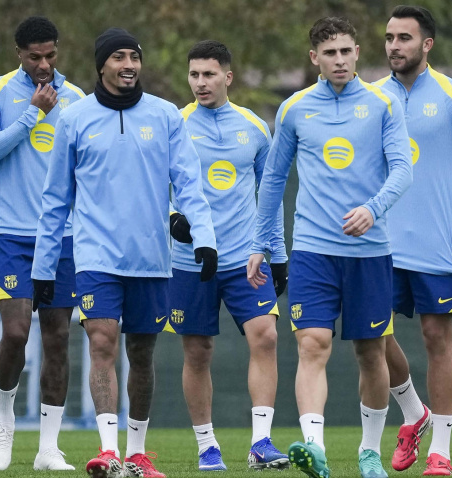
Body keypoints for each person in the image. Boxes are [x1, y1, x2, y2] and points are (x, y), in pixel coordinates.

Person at [32, 27, 218, 478]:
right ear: (101, 65)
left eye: (134, 57)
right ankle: (108, 451)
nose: (129, 65)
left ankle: (137, 452)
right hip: (95, 258)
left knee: (142, 352)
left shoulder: (167, 115)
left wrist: (206, 238)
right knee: (102, 342)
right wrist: (43, 265)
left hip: (152, 260)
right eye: (119, 57)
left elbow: (189, 183)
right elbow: (56, 198)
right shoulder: (74, 119)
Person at [247, 16, 412, 478]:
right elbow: (274, 180)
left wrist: (373, 209)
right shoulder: (296, 108)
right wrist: (262, 242)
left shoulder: (382, 104)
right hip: (313, 251)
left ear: (358, 53)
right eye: (330, 53)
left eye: (346, 51)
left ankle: (369, 452)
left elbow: (402, 169)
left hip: (371, 253)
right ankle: (314, 447)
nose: (339, 60)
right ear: (314, 58)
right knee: (312, 344)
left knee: (370, 352)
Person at [374, 5, 452, 475]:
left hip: (437, 248)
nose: (394, 46)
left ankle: (441, 450)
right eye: (389, 38)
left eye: (404, 38)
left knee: (436, 339)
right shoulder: (370, 98)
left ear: (426, 44)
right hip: (379, 247)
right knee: (372, 336)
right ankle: (413, 414)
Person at [166, 39, 289, 472]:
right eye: (194, 75)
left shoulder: (255, 127)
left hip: (244, 260)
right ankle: (207, 446)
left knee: (267, 337)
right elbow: (153, 184)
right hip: (190, 262)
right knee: (197, 351)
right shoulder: (174, 124)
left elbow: (269, 196)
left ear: (227, 77)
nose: (200, 83)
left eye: (209, 74)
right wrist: (172, 218)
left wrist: (277, 255)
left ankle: (261, 442)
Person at [0, 16, 85, 472]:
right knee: (17, 333)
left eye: (50, 55)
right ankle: (4, 422)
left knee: (57, 339)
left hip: (64, 238)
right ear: (18, 53)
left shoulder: (77, 99)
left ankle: (48, 448)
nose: (44, 64)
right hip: (12, 235)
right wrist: (32, 113)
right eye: (34, 56)